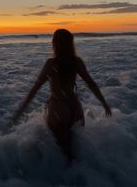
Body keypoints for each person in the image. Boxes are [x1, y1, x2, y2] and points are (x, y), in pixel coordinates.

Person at [9, 29, 112, 161]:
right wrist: (104, 103)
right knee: (77, 151)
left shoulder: (51, 64)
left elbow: (34, 90)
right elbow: (91, 84)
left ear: (55, 44)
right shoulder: (77, 62)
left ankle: (64, 179)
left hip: (58, 109)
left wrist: (19, 112)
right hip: (75, 108)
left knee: (63, 154)